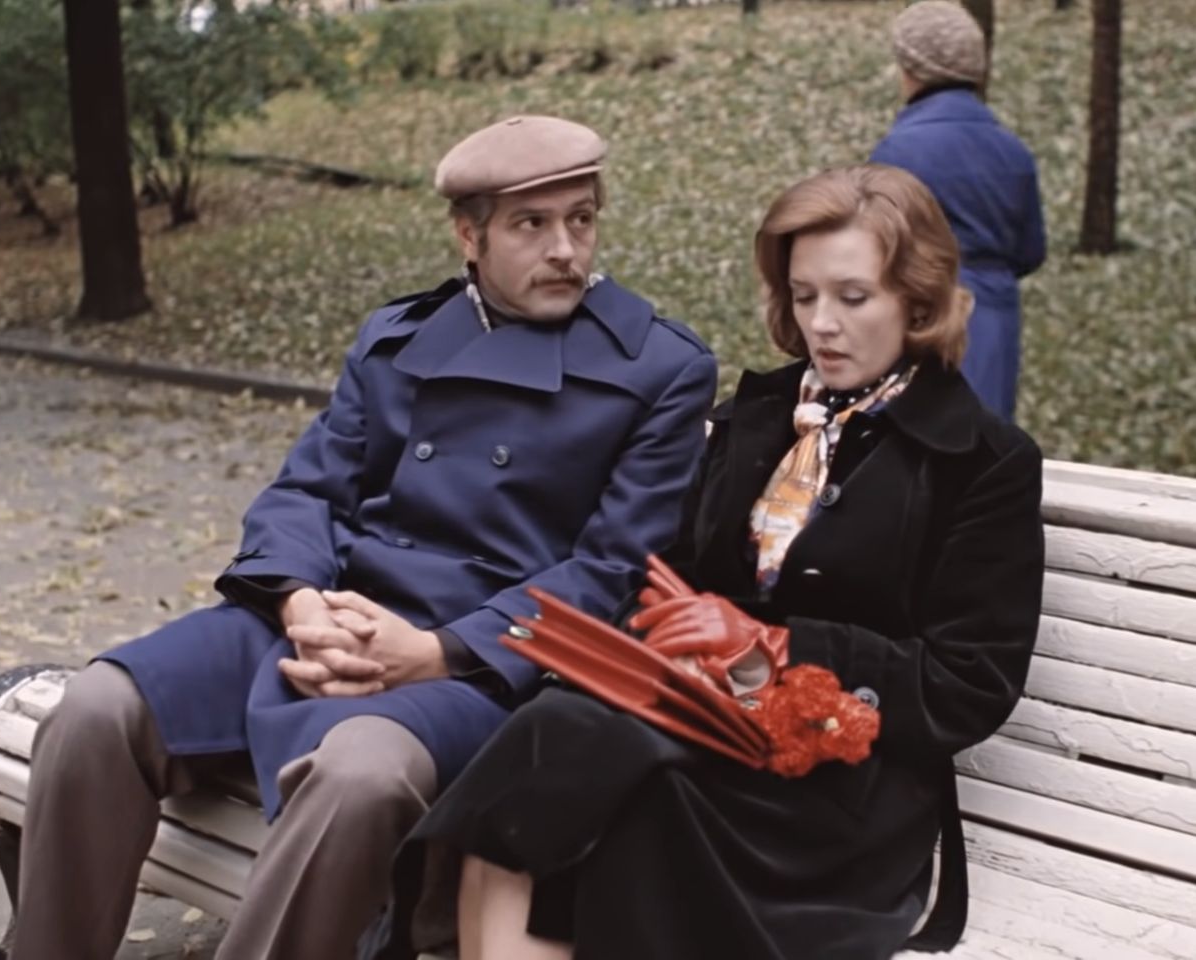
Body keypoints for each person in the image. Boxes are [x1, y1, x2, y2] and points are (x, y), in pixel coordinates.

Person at [10, 115, 717, 960]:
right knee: (96, 708)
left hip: (485, 666)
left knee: (363, 775)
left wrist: (434, 651)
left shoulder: (659, 368)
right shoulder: (398, 340)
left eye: (581, 219)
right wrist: (301, 605)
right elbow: (306, 490)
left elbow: (611, 571)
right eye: (532, 224)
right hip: (332, 616)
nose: (565, 249)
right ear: (469, 236)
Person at [385, 164, 1046, 960]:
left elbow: (967, 686)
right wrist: (658, 641)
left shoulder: (980, 462)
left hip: (838, 796)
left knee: (609, 786)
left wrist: (771, 648)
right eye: (803, 296)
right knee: (547, 735)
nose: (822, 324)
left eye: (852, 297)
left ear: (916, 297)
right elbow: (665, 579)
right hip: (696, 733)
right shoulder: (759, 418)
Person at [870, 0, 1046, 420]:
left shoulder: (896, 153)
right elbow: (1030, 252)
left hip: (918, 317)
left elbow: (875, 253)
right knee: (985, 441)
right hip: (995, 321)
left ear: (909, 69)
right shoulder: (1013, 152)